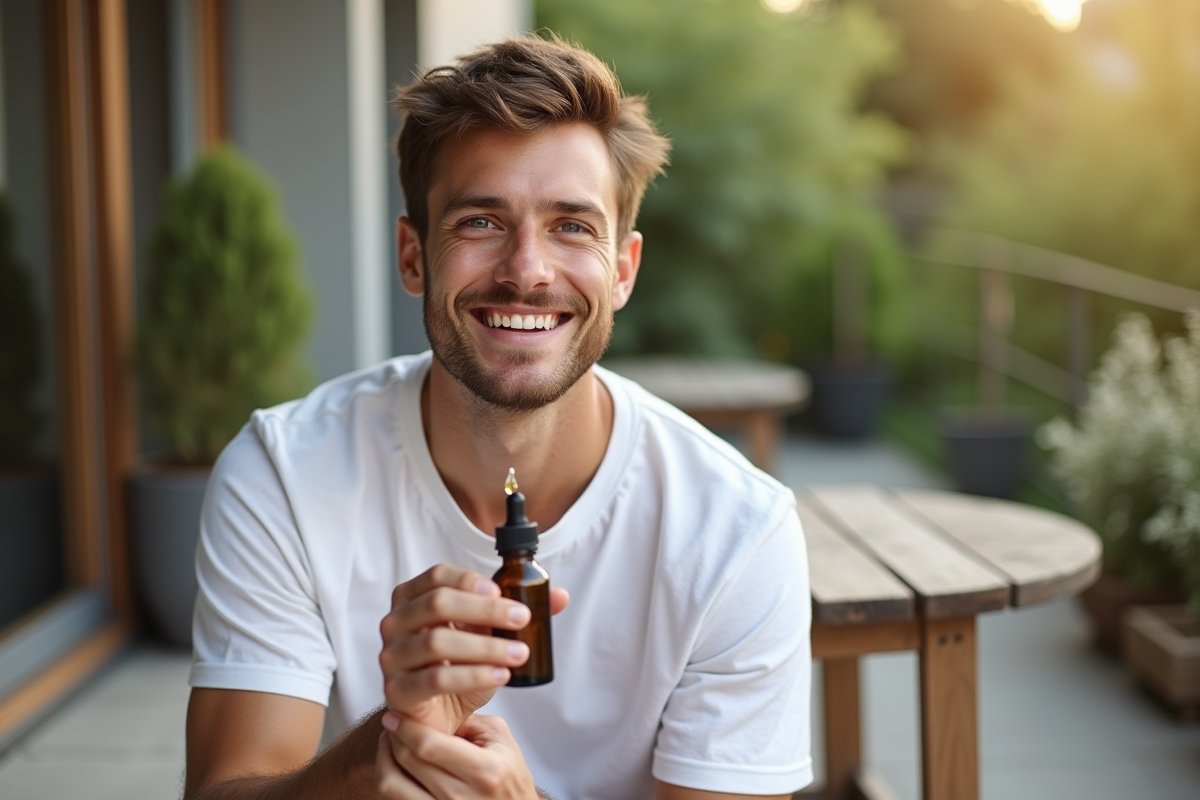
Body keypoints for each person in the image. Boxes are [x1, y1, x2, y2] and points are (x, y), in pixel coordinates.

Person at [183, 36, 812, 800]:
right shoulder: (283, 472)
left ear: (622, 270)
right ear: (413, 257)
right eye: (481, 221)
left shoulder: (735, 533)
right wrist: (383, 750)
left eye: (572, 226)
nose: (527, 270)